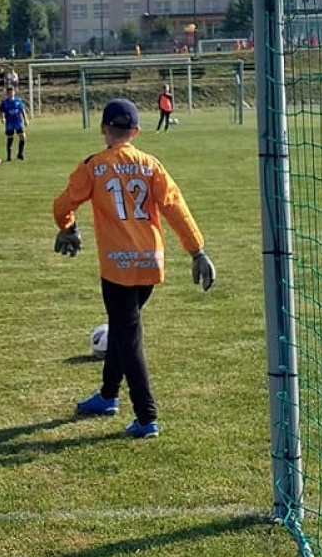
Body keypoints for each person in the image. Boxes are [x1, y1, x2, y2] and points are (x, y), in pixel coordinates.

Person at [53, 98, 215, 439]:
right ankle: (108, 395)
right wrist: (196, 249)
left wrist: (67, 226)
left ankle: (147, 416)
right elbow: (175, 207)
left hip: (117, 267)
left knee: (129, 338)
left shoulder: (94, 165)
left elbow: (64, 202)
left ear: (103, 129)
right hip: (150, 263)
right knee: (122, 327)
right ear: (137, 132)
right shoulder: (150, 164)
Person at [0, 85, 29, 161]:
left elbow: (22, 110)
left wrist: (25, 119)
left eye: (12, 91)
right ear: (7, 93)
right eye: (9, 92)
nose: (10, 93)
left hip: (18, 121)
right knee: (10, 138)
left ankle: (20, 154)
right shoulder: (4, 102)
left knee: (22, 136)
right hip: (9, 123)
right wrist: (2, 118)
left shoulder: (18, 100)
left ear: (14, 92)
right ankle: (9, 156)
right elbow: (1, 110)